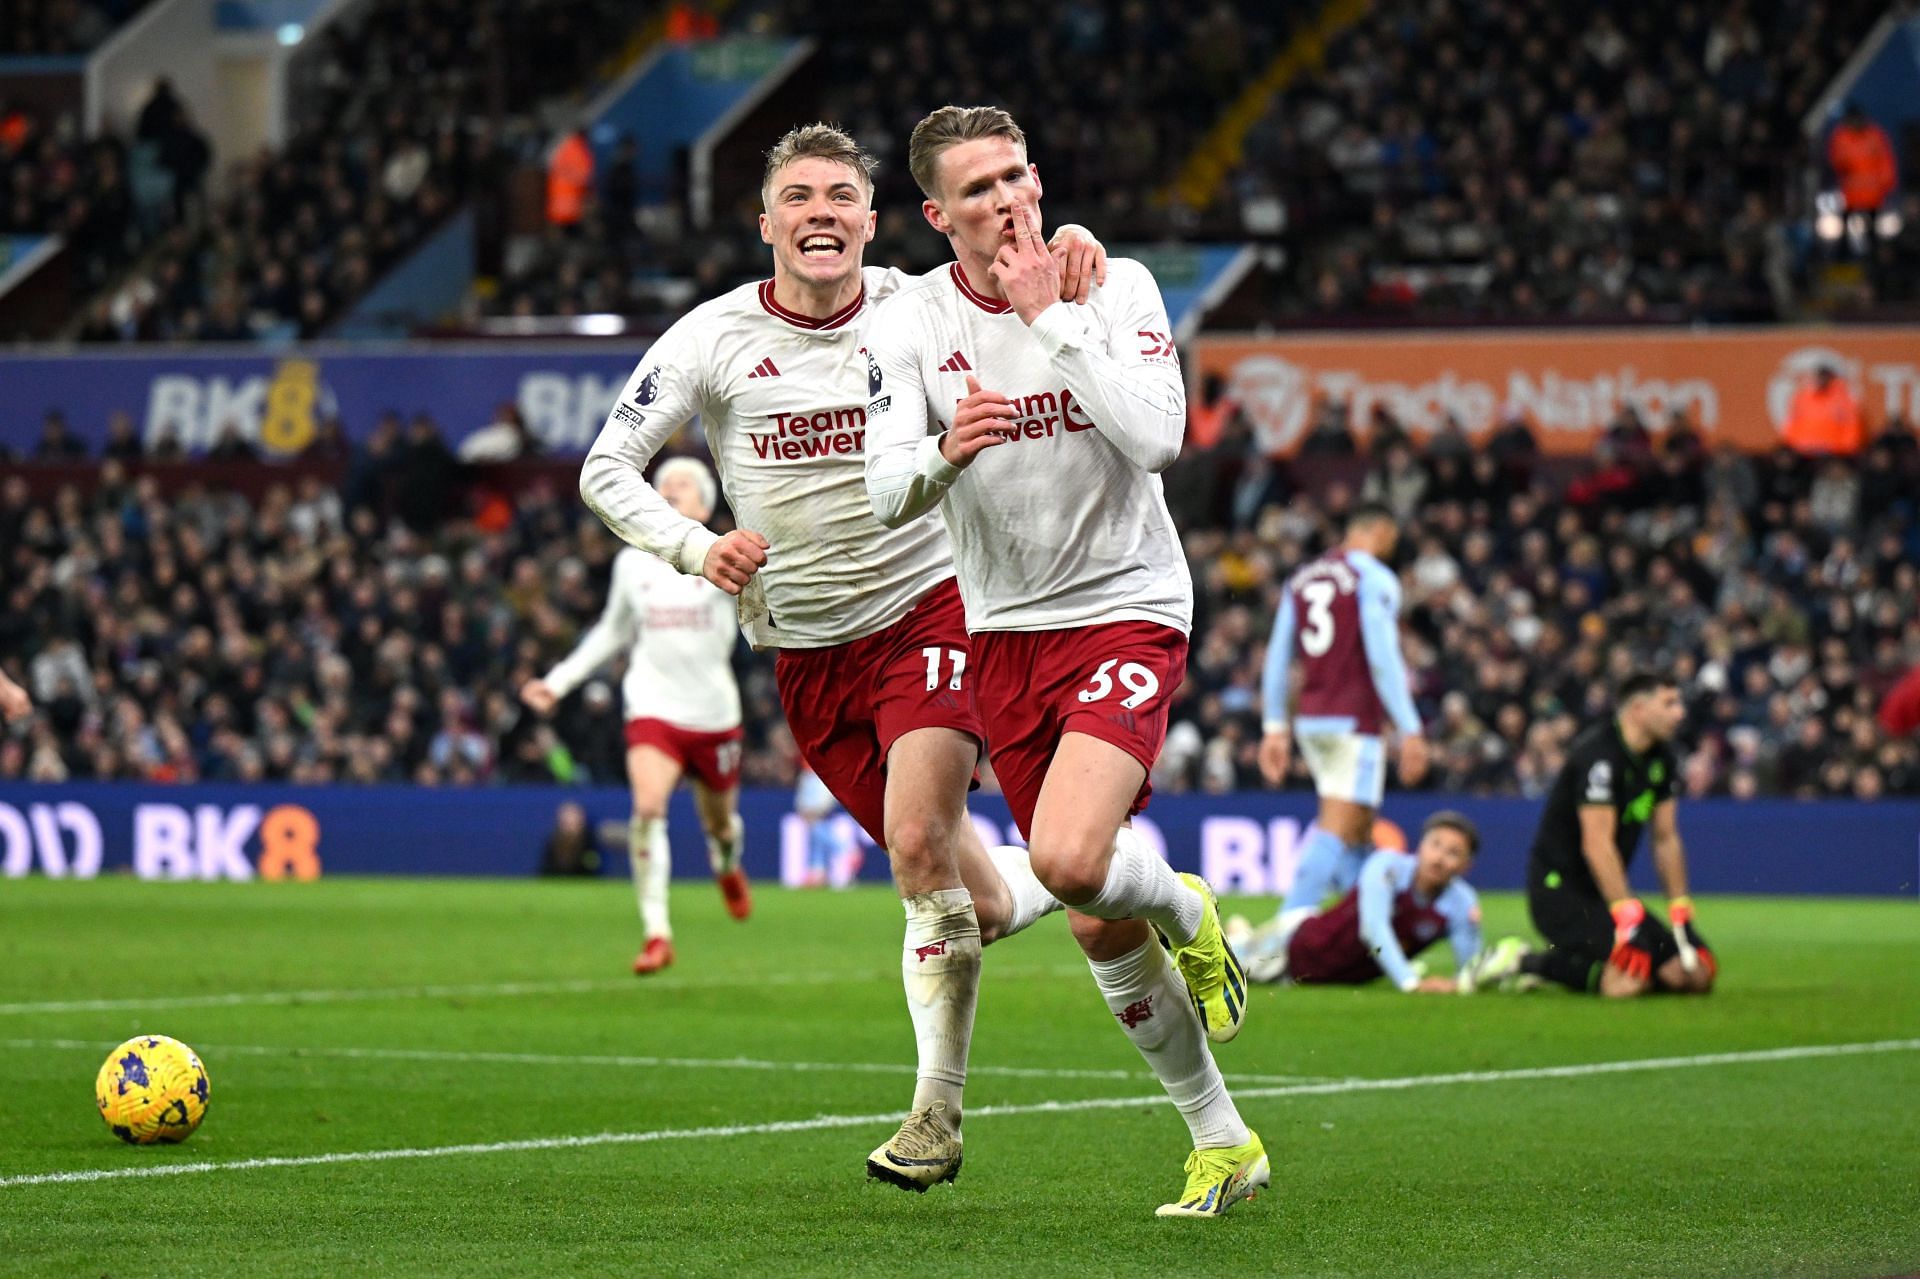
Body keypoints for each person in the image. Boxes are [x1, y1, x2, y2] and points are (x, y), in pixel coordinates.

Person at [579, 123, 1106, 1190]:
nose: (821, 212)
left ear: (872, 222)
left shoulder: (918, 304)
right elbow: (606, 466)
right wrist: (693, 543)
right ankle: (1085, 875)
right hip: (806, 653)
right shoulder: (713, 338)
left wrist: (1077, 244)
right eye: (799, 197)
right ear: (765, 222)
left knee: (917, 838)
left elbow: (1012, 267)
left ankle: (935, 1117)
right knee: (978, 903)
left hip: (932, 610)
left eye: (841, 197)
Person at [865, 105, 1263, 1219]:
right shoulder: (910, 325)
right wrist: (946, 453)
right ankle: (1223, 1140)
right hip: (1004, 634)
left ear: (1038, 179)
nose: (1006, 202)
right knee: (1090, 912)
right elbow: (883, 486)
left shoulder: (1113, 285)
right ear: (939, 215)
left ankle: (1186, 911)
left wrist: (1057, 322)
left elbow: (1159, 440)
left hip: (1129, 608)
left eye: (1016, 177)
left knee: (1076, 856)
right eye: (977, 189)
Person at [522, 458, 749, 974]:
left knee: (719, 824)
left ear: (706, 502)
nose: (670, 489)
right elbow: (611, 632)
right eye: (663, 482)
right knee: (648, 810)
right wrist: (557, 682)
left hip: (713, 712)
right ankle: (657, 933)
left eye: (683, 484)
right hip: (653, 706)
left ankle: (727, 865)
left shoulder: (727, 554)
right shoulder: (634, 563)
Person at [1475, 671, 1717, 998]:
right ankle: (1525, 962)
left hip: (1603, 895)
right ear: (1638, 709)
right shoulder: (1598, 757)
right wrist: (1625, 914)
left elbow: (1666, 839)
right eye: (1669, 703)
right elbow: (1596, 844)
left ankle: (1577, 962)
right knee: (1629, 982)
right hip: (1560, 894)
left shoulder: (1662, 758)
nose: (1680, 712)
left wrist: (1680, 913)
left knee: (1693, 976)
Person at [1257, 502, 1429, 928]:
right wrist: (1410, 726)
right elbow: (1382, 655)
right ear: (1380, 529)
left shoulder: (1303, 577)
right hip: (1352, 720)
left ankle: (1363, 930)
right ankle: (1285, 934)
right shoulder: (1373, 577)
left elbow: (1278, 657)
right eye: (1392, 534)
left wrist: (1275, 728)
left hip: (1312, 719)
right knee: (1337, 827)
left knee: (1357, 831)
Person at [1232, 811, 1482, 991]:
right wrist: (1411, 982)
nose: (1439, 858)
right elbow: (1373, 929)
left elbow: (1470, 970)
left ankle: (1242, 932)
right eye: (1435, 844)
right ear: (1421, 845)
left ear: (1467, 866)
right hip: (1291, 946)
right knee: (1221, 966)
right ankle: (1239, 935)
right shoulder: (1387, 865)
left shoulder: (1462, 903)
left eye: (1453, 853)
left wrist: (1463, 983)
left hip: (1328, 978)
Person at [1783, 365, 1864, 457]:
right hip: (1803, 452)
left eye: (1825, 377)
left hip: (1833, 452)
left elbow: (1852, 427)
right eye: (1819, 377)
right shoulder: (1803, 397)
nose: (1822, 381)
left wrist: (1846, 451)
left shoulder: (1843, 399)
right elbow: (1792, 424)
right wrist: (1792, 446)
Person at [539, 800, 605, 876]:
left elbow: (593, 867)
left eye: (573, 820)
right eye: (566, 820)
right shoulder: (552, 841)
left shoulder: (590, 841)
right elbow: (545, 869)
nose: (570, 824)